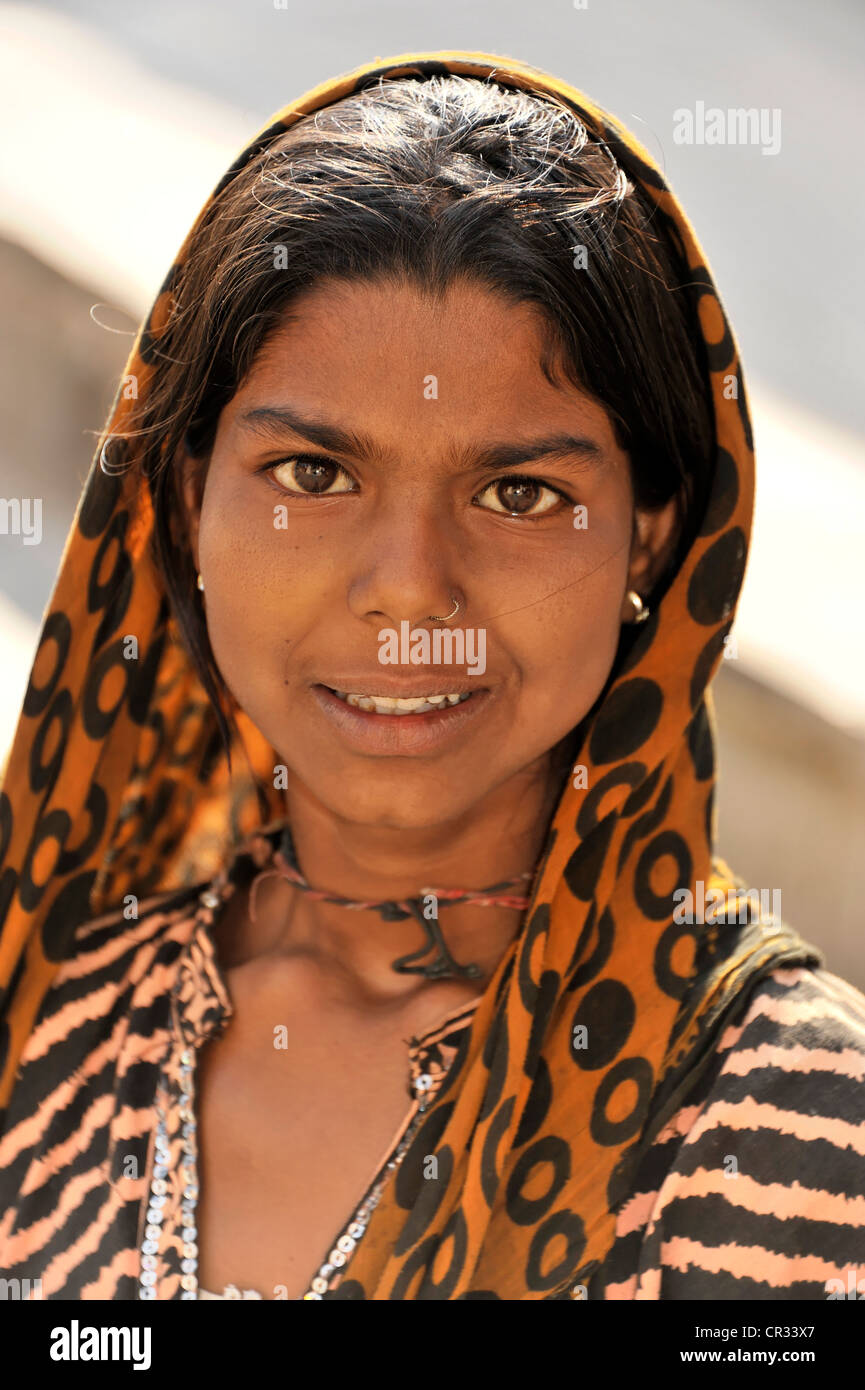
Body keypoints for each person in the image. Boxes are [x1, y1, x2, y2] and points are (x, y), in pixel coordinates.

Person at [1, 50, 863, 1303]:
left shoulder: (799, 1142)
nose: (409, 590)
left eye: (519, 493)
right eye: (313, 475)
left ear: (654, 537)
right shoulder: (47, 999)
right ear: (186, 500)